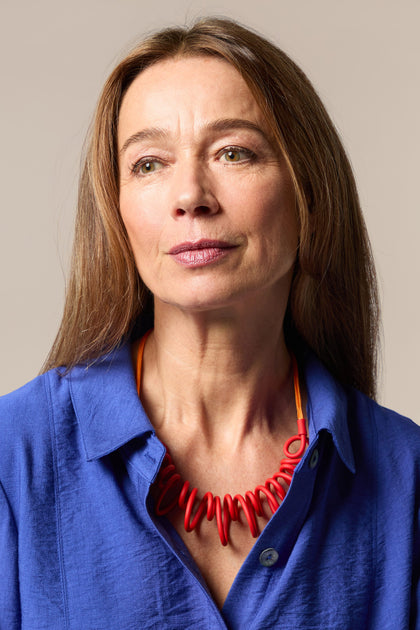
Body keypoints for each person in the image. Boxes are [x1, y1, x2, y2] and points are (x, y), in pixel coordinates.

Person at [0, 17, 419, 630]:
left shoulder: (407, 479)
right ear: (117, 211)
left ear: (308, 191)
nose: (190, 194)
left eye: (233, 152)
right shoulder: (13, 457)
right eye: (149, 164)